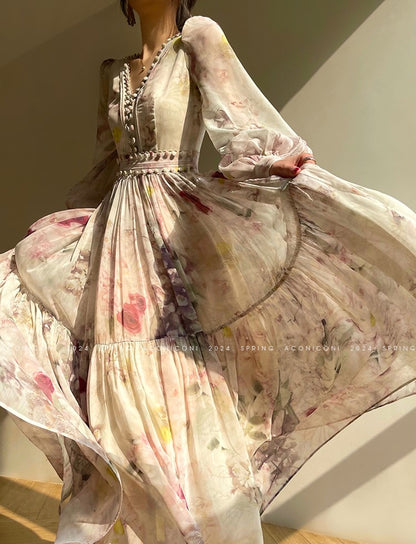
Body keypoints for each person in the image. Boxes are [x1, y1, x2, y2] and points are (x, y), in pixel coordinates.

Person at [1, 0, 416, 542]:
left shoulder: (197, 38)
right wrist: (67, 227)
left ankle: (204, 529)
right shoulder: (112, 73)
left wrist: (271, 160)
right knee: (112, 385)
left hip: (174, 235)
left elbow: (237, 115)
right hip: (116, 241)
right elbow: (107, 164)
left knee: (183, 385)